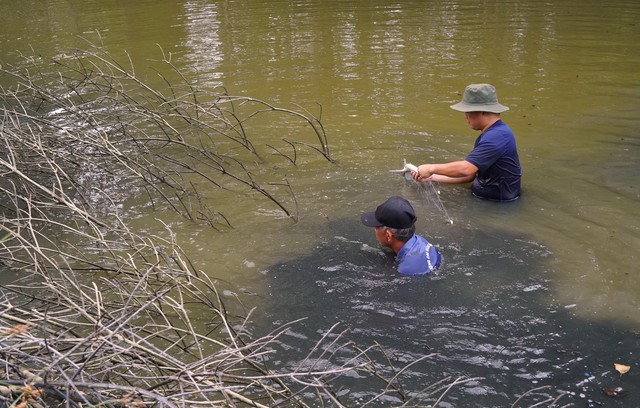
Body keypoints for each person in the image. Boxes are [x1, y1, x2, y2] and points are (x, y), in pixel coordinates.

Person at [411, 83, 522, 201]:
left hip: (496, 204)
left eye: (468, 112)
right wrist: (432, 177)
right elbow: (469, 175)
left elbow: (466, 169)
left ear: (483, 111)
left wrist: (431, 168)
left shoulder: (496, 137)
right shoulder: (491, 134)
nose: (465, 117)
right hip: (485, 197)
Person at [361, 196, 441, 275]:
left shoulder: (406, 270)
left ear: (388, 235)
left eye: (376, 227)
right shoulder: (421, 241)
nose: (375, 230)